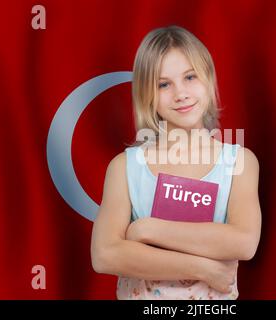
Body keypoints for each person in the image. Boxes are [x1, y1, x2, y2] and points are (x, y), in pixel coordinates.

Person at [91, 25, 262, 300]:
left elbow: (244, 242)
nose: (180, 93)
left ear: (208, 77)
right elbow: (104, 255)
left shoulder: (239, 162)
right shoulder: (125, 167)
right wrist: (203, 268)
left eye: (190, 77)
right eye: (164, 84)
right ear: (147, 94)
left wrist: (147, 229)